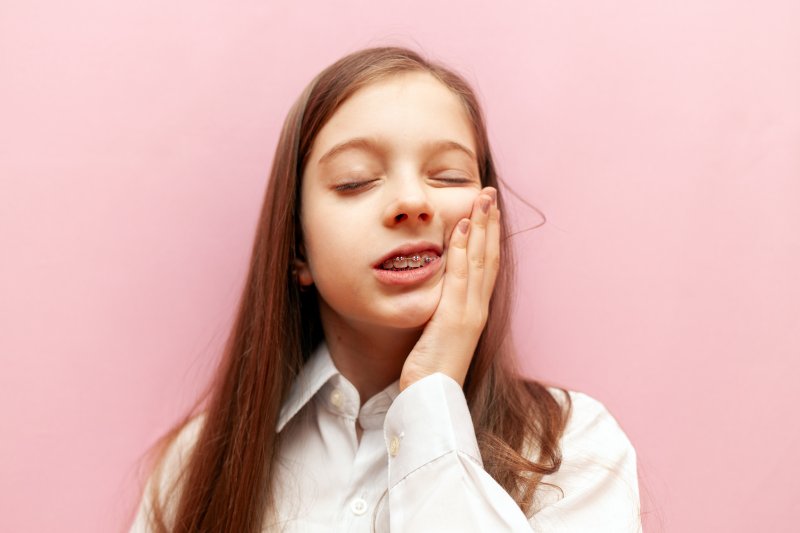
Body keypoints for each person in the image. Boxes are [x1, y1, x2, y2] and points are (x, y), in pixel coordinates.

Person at [129, 46, 642, 532]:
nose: (412, 201)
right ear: (298, 249)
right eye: (355, 181)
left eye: (448, 175)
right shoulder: (195, 465)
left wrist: (430, 391)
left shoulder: (572, 446)